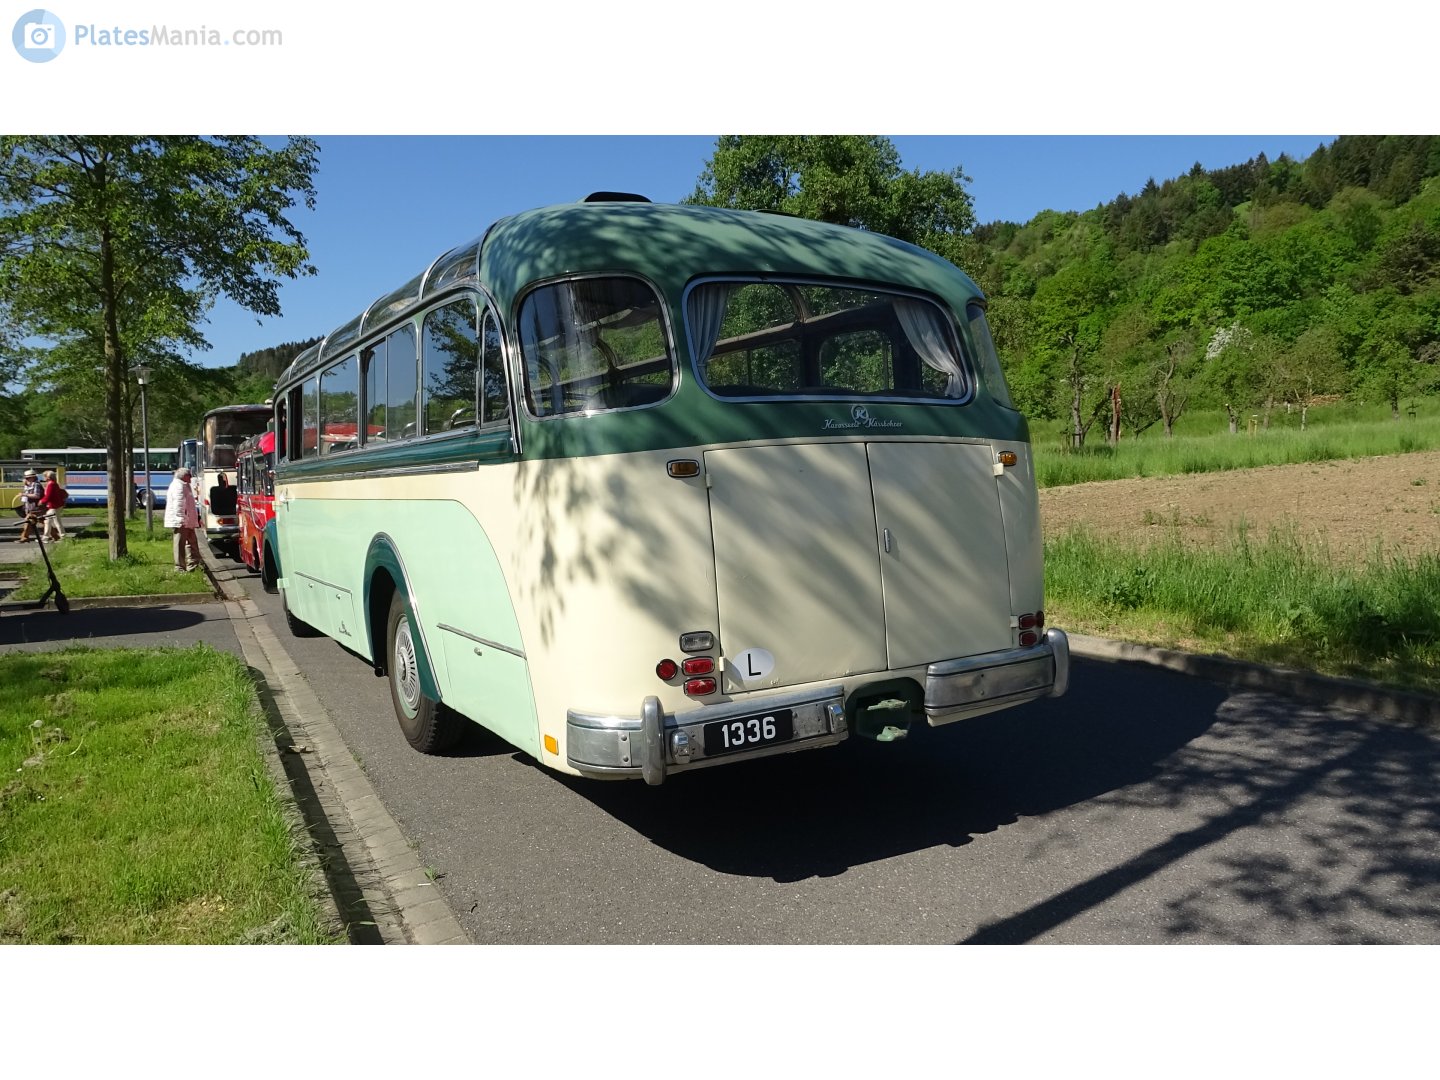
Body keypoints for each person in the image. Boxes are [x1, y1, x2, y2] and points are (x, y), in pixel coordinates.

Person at [164, 466, 203, 572]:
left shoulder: (183, 485)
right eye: (189, 476)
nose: (191, 478)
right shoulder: (178, 486)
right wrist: (181, 519)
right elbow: (179, 504)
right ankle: (179, 567)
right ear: (185, 476)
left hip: (187, 520)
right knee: (180, 544)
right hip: (182, 521)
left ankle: (193, 564)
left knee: (191, 542)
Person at [15, 468, 42, 542]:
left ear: (33, 477)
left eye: (28, 478)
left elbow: (37, 495)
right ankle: (55, 536)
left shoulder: (36, 484)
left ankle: (24, 538)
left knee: (27, 522)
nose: (26, 479)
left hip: (36, 507)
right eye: (26, 478)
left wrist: (24, 494)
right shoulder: (28, 485)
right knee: (43, 522)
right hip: (30, 507)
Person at [39, 470, 66, 542]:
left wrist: (42, 501)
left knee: (56, 522)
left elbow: (48, 496)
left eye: (44, 476)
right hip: (55, 505)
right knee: (47, 521)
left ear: (48, 477)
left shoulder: (51, 484)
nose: (43, 477)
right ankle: (45, 537)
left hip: (54, 506)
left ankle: (63, 537)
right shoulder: (53, 483)